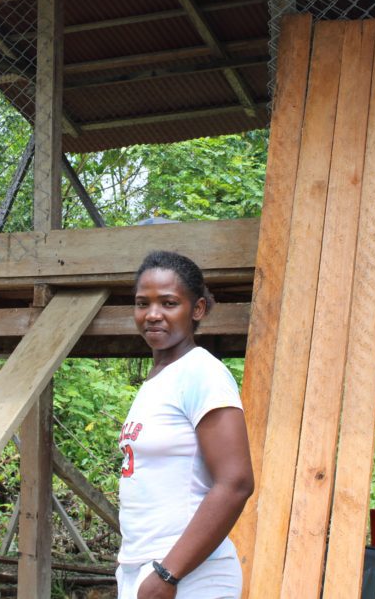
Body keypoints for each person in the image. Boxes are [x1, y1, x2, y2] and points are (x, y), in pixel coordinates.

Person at [117, 250, 254, 599]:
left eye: (168, 303)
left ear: (197, 310)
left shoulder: (201, 372)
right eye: (141, 303)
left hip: (189, 574)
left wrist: (168, 574)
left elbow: (236, 482)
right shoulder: (157, 381)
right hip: (142, 567)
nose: (152, 315)